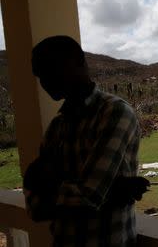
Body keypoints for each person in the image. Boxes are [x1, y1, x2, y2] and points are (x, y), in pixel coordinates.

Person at [24, 36, 149, 246]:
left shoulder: (114, 112)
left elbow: (89, 197)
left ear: (81, 61)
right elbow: (34, 208)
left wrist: (49, 183)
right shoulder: (57, 126)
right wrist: (115, 191)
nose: (45, 81)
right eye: (40, 74)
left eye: (52, 68)